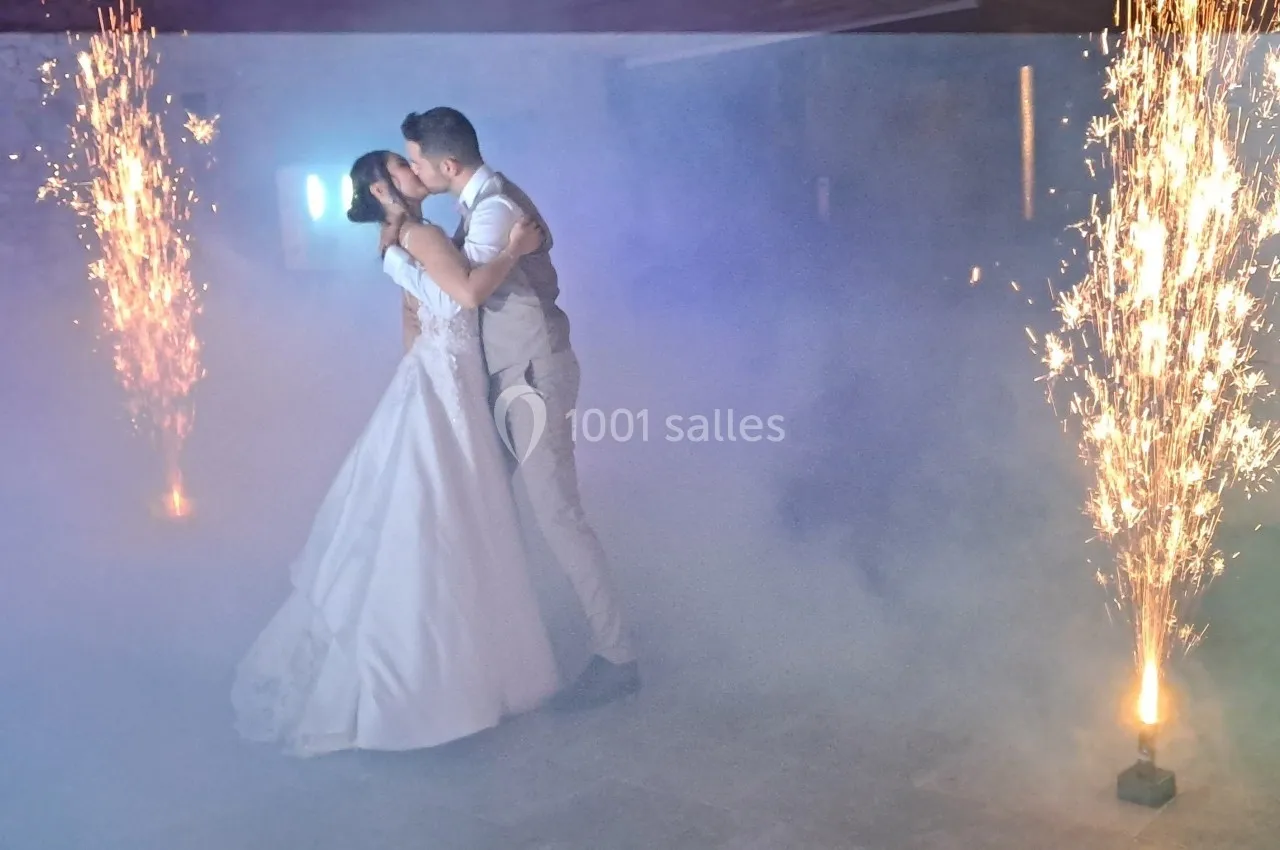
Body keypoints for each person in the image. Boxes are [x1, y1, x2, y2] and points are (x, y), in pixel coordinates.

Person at [230, 150, 558, 756]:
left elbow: (411, 321)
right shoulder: (422, 234)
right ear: (383, 189)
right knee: (449, 517)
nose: (414, 171)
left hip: (433, 374)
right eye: (400, 167)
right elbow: (466, 296)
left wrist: (423, 374)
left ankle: (439, 674)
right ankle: (437, 684)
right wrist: (515, 249)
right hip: (445, 376)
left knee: (434, 511)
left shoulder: (393, 238)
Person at [387, 107, 638, 711]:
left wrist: (398, 251)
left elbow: (464, 295)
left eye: (417, 161)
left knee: (557, 515)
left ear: (448, 164)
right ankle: (504, 647)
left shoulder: (496, 209)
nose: (414, 172)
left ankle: (618, 656)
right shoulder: (475, 206)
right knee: (487, 507)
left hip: (531, 374)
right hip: (505, 375)